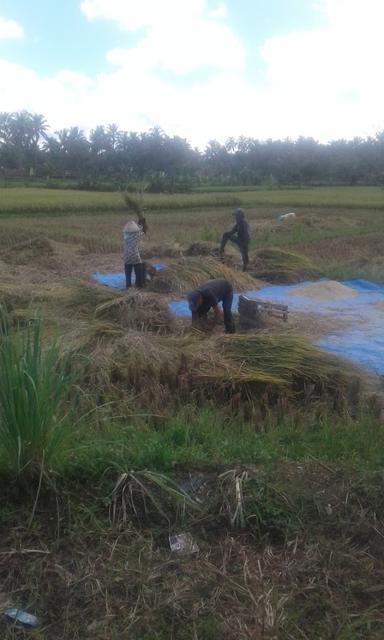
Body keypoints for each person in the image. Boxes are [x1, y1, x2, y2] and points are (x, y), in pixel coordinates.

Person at [123, 216, 147, 288]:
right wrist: (142, 222)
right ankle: (138, 285)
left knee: (128, 272)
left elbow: (139, 229)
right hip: (134, 255)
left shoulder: (125, 235)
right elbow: (142, 230)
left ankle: (128, 285)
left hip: (126, 256)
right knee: (138, 270)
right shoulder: (136, 235)